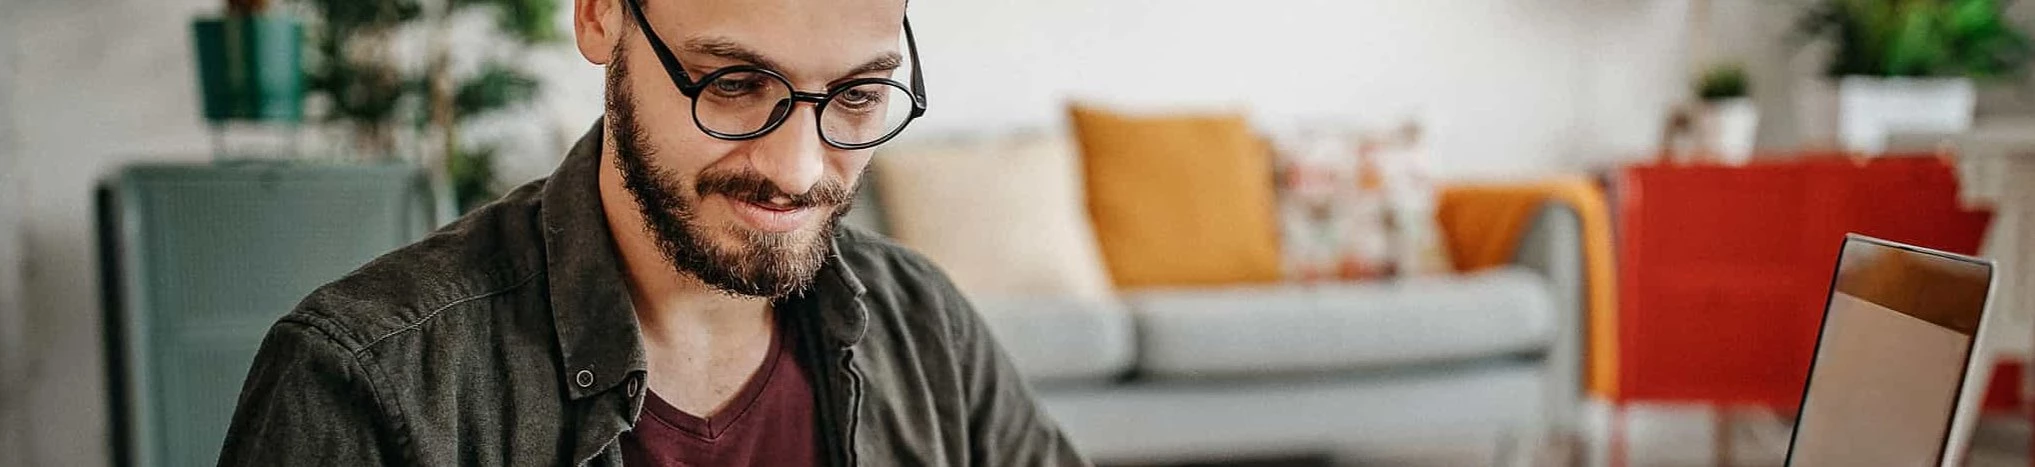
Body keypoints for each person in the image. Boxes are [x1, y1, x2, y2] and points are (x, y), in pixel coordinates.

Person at [215, 0, 1088, 465]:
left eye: (857, 97)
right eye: (734, 83)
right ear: (600, 15)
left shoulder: (924, 324)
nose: (796, 170)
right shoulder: (368, 378)